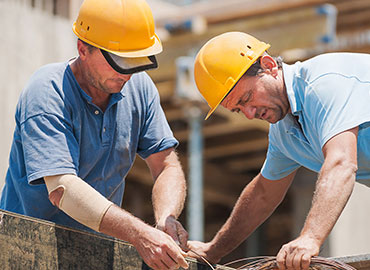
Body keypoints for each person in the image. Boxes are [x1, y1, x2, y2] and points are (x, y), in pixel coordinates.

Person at [0, 0, 189, 269]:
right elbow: (62, 189)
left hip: (97, 252)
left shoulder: (140, 88)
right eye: (120, 61)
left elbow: (166, 164)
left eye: (136, 61)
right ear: (83, 49)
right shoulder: (47, 91)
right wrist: (138, 233)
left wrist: (166, 219)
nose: (127, 74)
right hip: (26, 250)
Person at [187, 31, 370, 270]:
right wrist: (213, 250)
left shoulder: (323, 83)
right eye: (239, 109)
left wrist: (310, 237)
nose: (250, 114)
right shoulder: (284, 132)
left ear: (269, 65)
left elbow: (341, 163)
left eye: (247, 97)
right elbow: (264, 193)